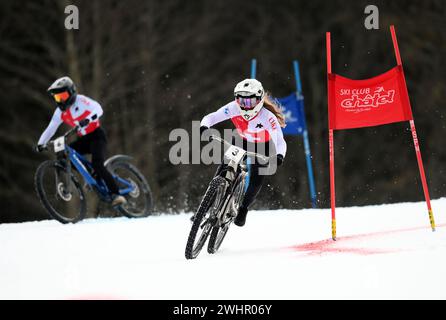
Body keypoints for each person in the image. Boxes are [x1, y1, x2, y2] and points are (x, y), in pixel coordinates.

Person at [200, 79, 287, 227]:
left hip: (262, 146)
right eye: (241, 101)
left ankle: (244, 208)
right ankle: (206, 206)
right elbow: (211, 117)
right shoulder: (233, 107)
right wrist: (204, 127)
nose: (244, 106)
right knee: (223, 169)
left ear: (259, 100)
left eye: (249, 102)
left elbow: (279, 141)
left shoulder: (267, 116)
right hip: (242, 141)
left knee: (256, 179)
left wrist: (279, 156)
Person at [35, 76, 127, 207]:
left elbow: (99, 109)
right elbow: (51, 129)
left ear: (71, 92)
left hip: (96, 136)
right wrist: (41, 143)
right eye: (57, 98)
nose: (60, 100)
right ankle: (92, 176)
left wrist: (88, 119)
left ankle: (117, 194)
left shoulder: (81, 101)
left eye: (62, 96)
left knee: (98, 164)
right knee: (66, 155)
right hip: (83, 139)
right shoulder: (59, 112)